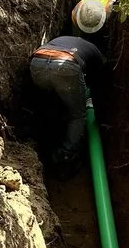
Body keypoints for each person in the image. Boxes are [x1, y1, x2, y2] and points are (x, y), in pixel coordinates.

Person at [30, 35, 105, 177]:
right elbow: (98, 88)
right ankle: (65, 156)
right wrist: (100, 116)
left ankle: (44, 144)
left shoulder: (65, 39)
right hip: (65, 65)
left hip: (37, 62)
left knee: (48, 105)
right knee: (77, 116)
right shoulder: (96, 53)